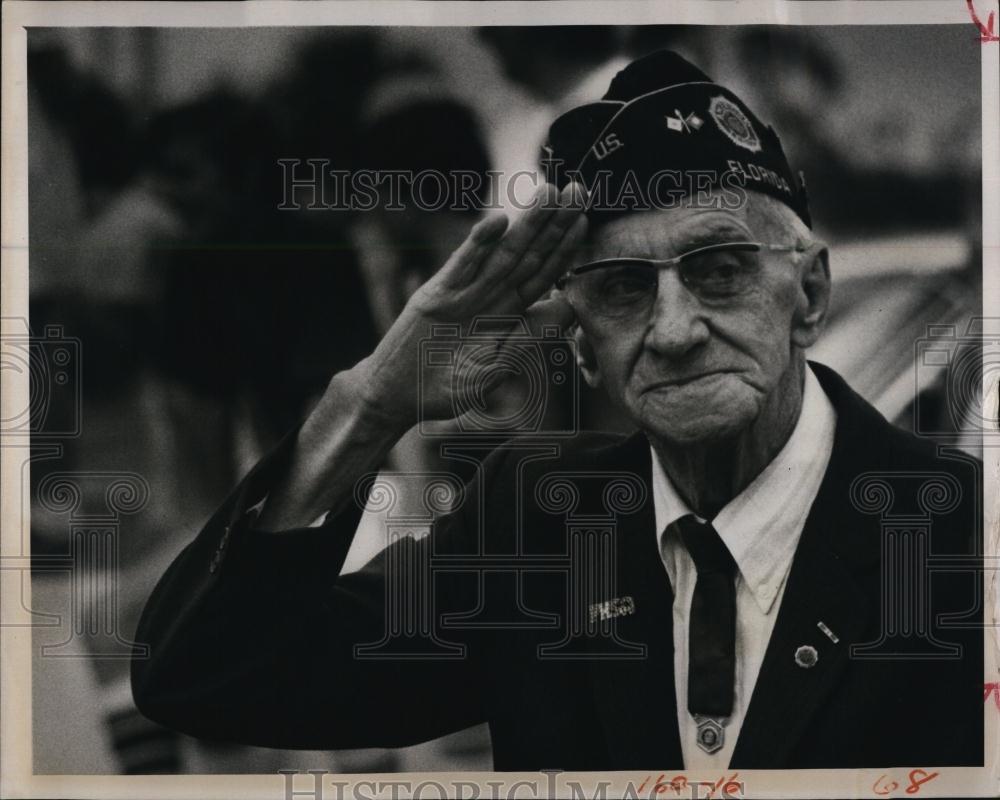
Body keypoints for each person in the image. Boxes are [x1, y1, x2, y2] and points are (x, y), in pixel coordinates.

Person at [131, 50, 983, 770]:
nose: (675, 330)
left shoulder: (960, 531)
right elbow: (207, 674)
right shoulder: (539, 528)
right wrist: (374, 402)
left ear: (809, 293)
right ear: (579, 340)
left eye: (720, 269)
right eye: (621, 289)